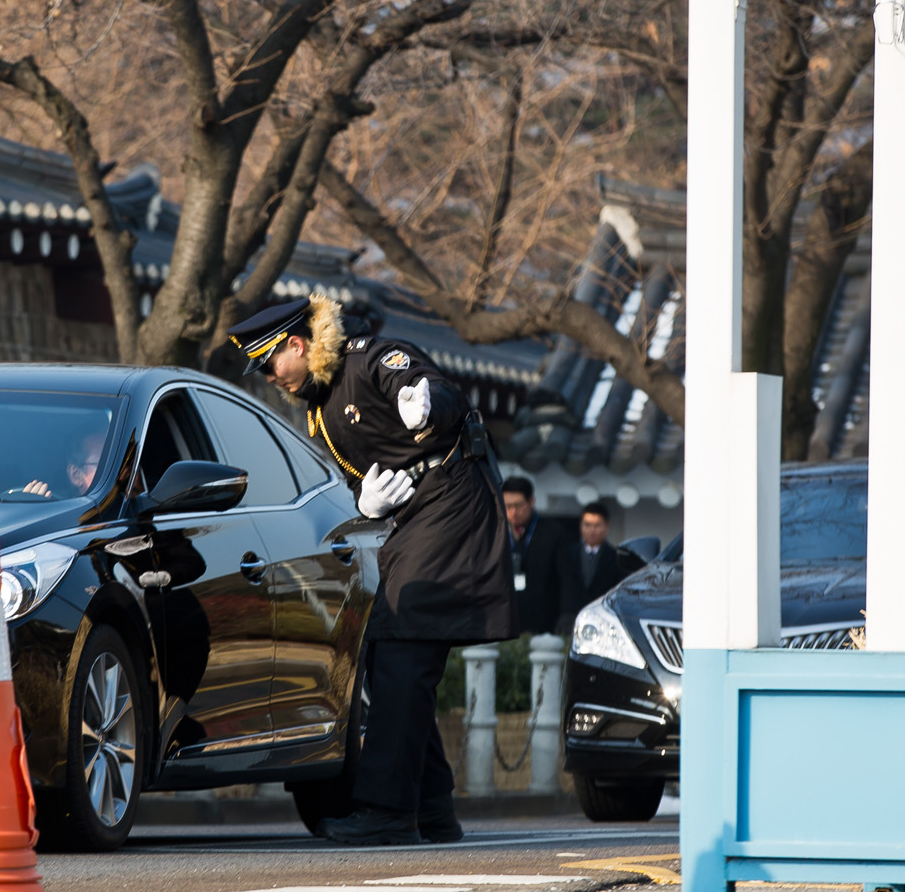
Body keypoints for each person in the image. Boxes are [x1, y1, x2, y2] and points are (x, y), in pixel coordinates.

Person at [232, 294, 514, 846]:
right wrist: (366, 505)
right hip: (417, 515)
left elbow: (434, 389)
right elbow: (362, 472)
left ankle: (387, 811)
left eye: (269, 364)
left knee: (402, 649)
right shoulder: (321, 402)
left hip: (451, 504)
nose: (269, 377)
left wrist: (427, 402)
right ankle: (431, 808)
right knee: (393, 655)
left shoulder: (367, 359)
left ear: (297, 345)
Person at [501, 476, 568, 636]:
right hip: (505, 618)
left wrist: (567, 613)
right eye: (508, 506)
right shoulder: (495, 532)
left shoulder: (553, 534)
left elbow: (567, 578)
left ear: (531, 501)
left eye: (518, 505)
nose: (513, 512)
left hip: (543, 620)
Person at [557, 501, 635, 636]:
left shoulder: (615, 557)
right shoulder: (567, 554)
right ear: (581, 526)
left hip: (602, 618)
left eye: (597, 525)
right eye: (587, 525)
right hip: (570, 619)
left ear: (607, 526)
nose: (592, 530)